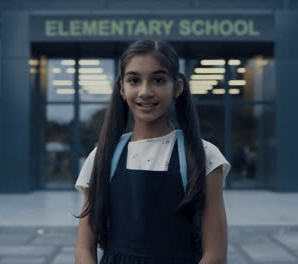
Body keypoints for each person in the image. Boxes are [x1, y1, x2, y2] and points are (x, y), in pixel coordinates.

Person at [75, 39, 231, 264]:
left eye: (158, 80)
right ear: (122, 88)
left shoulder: (204, 155)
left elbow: (215, 255)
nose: (145, 91)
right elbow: (83, 250)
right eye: (134, 80)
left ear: (177, 87)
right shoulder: (102, 156)